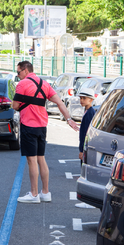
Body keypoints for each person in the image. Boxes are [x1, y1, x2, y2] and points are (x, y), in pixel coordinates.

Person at [12, 61, 79, 203]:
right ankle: (45, 192)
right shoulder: (44, 84)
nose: (18, 76)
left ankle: (34, 194)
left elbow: (15, 106)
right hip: (42, 126)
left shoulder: (22, 84)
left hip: (29, 126)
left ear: (25, 70)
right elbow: (60, 103)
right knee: (41, 158)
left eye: (18, 73)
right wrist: (69, 119)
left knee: (31, 160)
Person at [77, 88, 96, 161]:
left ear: (91, 100)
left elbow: (86, 133)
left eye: (84, 98)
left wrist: (82, 150)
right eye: (80, 98)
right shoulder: (88, 111)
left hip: (86, 147)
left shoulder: (89, 113)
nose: (81, 100)